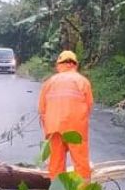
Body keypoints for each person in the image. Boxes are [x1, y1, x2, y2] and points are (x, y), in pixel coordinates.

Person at [39, 50, 93, 180]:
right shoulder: (83, 81)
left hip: (54, 129)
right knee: (81, 164)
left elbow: (42, 109)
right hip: (76, 129)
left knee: (56, 165)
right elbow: (89, 105)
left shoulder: (50, 82)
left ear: (59, 64)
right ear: (75, 64)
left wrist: (47, 127)